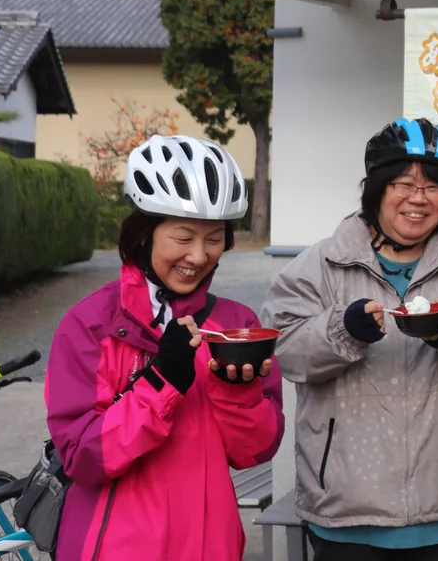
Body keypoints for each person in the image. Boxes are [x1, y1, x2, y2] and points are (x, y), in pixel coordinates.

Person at [263, 117, 438, 560]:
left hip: (436, 510)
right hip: (344, 512)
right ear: (376, 189)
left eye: (434, 187)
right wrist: (342, 330)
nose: (418, 199)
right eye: (404, 184)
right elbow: (284, 352)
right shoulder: (322, 263)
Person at [46, 136, 284, 561]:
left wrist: (238, 394)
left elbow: (254, 453)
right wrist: (161, 384)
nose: (199, 255)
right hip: (113, 548)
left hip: (210, 545)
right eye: (183, 236)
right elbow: (81, 458)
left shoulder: (236, 326)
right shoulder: (91, 324)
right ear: (144, 234)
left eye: (214, 238)